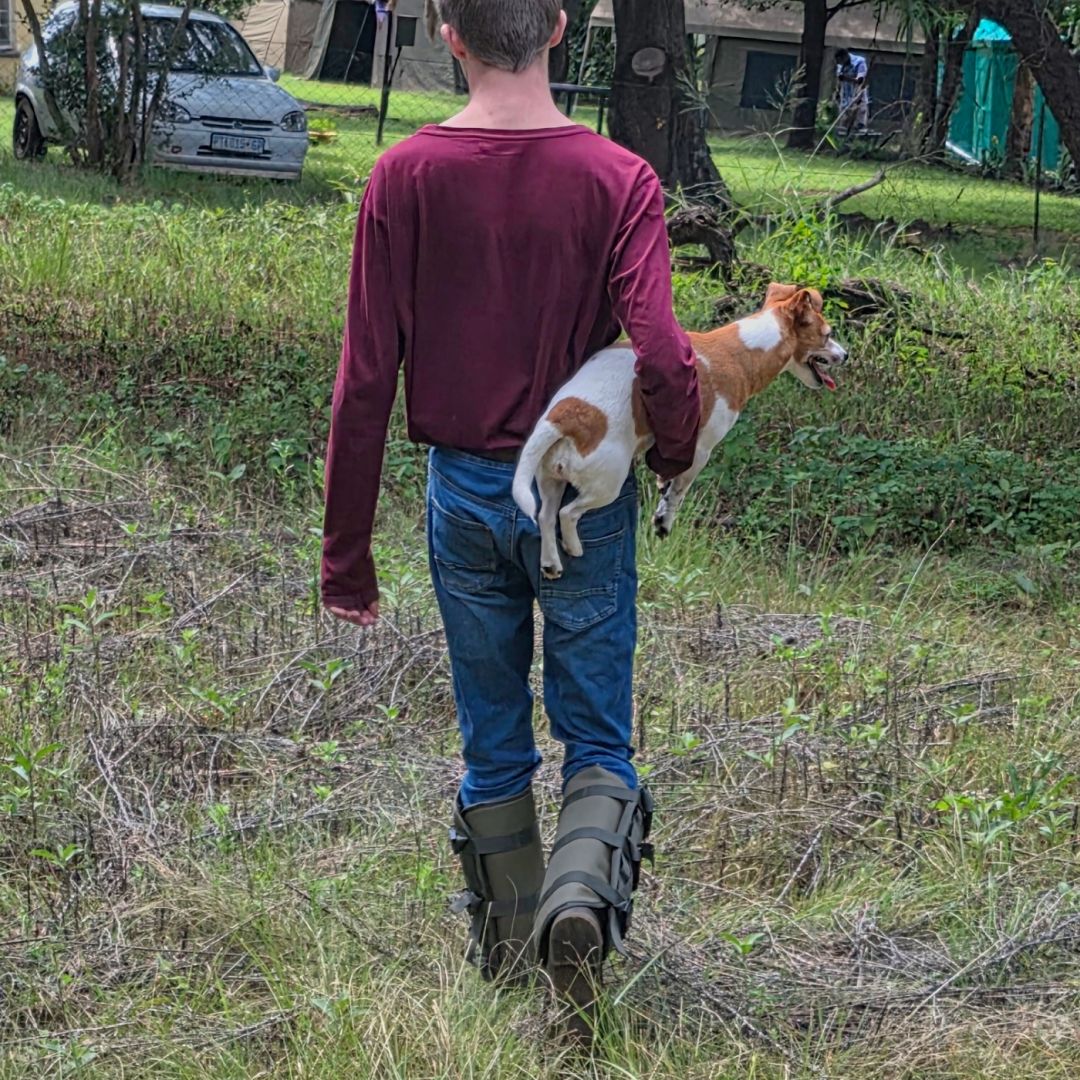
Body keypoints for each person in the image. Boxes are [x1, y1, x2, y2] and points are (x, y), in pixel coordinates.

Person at [320, 0, 700, 1028]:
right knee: (598, 743)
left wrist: (346, 558)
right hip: (581, 493)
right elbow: (664, 354)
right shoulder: (621, 179)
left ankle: (507, 966)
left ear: (448, 34)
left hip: (465, 492)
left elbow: (364, 379)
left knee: (495, 747)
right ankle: (582, 912)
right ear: (563, 29)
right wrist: (670, 450)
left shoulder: (405, 176)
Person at [835, 48, 870, 134]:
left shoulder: (859, 62)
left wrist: (846, 78)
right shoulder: (840, 65)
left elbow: (860, 80)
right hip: (845, 98)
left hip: (858, 97)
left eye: (840, 61)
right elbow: (839, 79)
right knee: (843, 126)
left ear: (845, 57)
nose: (839, 64)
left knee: (858, 125)